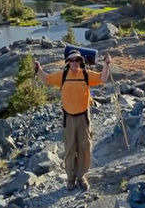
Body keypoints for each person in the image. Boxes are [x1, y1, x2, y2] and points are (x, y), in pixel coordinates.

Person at [35, 50, 111, 192]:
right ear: (68, 62)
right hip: (68, 117)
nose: (75, 63)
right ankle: (70, 178)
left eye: (77, 60)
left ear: (81, 62)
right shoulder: (63, 75)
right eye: (72, 60)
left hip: (83, 117)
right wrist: (38, 69)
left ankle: (81, 176)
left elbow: (103, 78)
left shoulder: (86, 74)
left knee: (84, 147)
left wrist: (106, 64)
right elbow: (46, 79)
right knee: (70, 148)